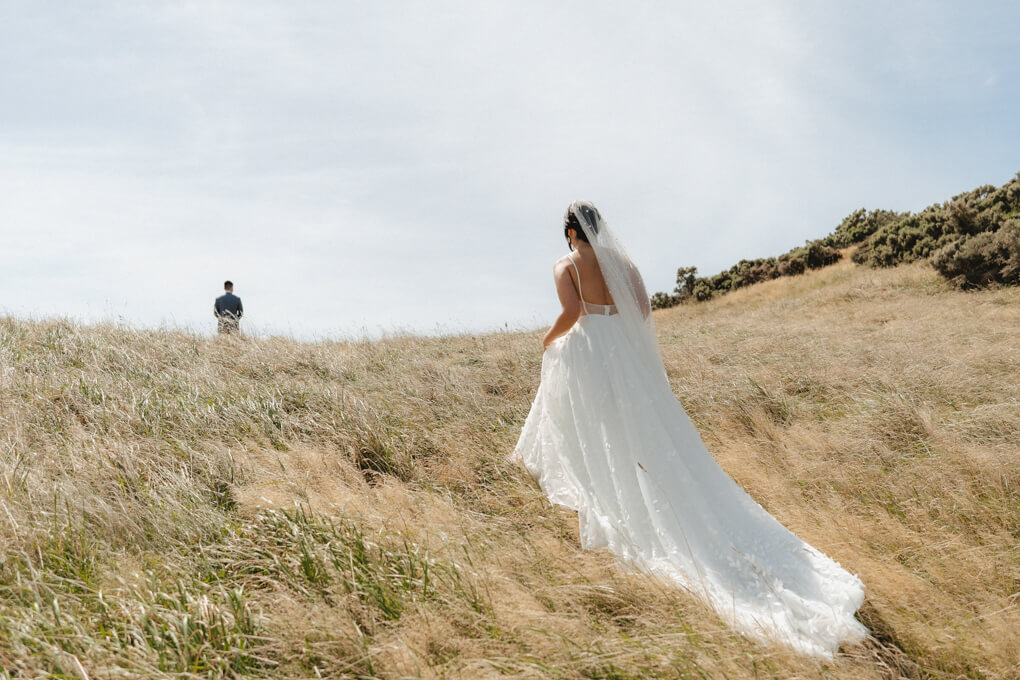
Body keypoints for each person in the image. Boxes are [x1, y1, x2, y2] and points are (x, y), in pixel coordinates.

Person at [513, 201, 867, 658]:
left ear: (570, 232)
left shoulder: (566, 264)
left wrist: (548, 340)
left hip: (590, 350)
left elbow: (572, 311)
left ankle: (600, 481)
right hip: (621, 349)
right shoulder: (624, 265)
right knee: (645, 430)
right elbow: (641, 310)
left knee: (598, 424)